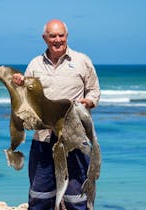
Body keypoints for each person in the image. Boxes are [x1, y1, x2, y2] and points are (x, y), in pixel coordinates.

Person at [13, 19, 100, 210]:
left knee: (77, 198)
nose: (57, 40)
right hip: (43, 139)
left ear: (67, 36)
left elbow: (94, 91)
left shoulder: (82, 61)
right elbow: (25, 99)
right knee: (40, 196)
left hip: (75, 139)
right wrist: (19, 84)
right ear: (45, 38)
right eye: (52, 36)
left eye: (61, 35)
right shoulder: (35, 64)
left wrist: (88, 102)